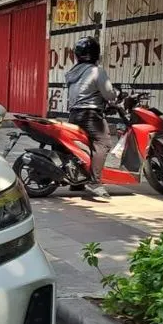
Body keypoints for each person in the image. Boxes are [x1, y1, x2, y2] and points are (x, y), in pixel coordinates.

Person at [65, 36, 117, 201]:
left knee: (83, 146)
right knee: (104, 143)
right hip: (90, 114)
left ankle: (77, 181)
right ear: (96, 54)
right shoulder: (96, 71)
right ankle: (94, 182)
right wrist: (115, 96)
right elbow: (109, 94)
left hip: (74, 114)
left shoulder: (72, 72)